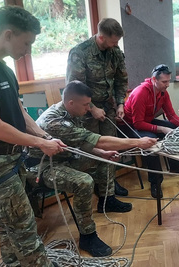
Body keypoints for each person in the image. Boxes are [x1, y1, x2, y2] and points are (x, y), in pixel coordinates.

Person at [0, 6, 65, 267]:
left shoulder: (4, 69)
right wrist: (40, 143)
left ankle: (11, 264)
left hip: (11, 159)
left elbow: (18, 111)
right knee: (25, 231)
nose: (28, 50)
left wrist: (43, 135)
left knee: (8, 225)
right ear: (8, 34)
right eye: (26, 42)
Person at [33, 80, 157, 256]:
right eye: (85, 105)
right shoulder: (55, 121)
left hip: (65, 157)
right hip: (43, 166)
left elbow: (83, 142)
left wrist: (102, 153)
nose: (88, 108)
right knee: (83, 182)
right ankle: (88, 236)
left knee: (107, 157)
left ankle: (107, 200)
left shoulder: (72, 111)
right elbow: (97, 139)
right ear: (71, 103)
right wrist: (138, 142)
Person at [66, 18, 128, 196]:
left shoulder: (115, 52)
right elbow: (74, 87)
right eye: (113, 41)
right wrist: (92, 108)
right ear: (101, 37)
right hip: (85, 110)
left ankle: (108, 189)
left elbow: (121, 79)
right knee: (91, 152)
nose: (116, 45)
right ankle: (94, 190)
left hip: (108, 107)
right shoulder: (80, 53)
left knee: (110, 148)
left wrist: (120, 103)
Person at [120, 64, 179, 198]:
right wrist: (161, 128)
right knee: (150, 142)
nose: (167, 85)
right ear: (154, 80)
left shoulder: (163, 93)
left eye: (169, 81)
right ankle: (155, 182)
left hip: (146, 122)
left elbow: (171, 115)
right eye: (164, 82)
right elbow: (138, 123)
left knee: (174, 129)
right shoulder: (140, 93)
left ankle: (176, 166)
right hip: (130, 125)